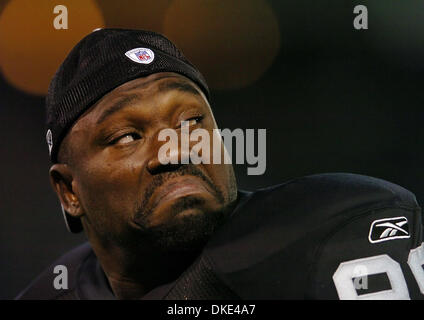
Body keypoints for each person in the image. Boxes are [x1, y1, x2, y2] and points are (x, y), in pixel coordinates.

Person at [16, 29, 424, 300]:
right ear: (69, 192)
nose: (176, 150)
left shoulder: (335, 227)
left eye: (191, 121)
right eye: (128, 136)